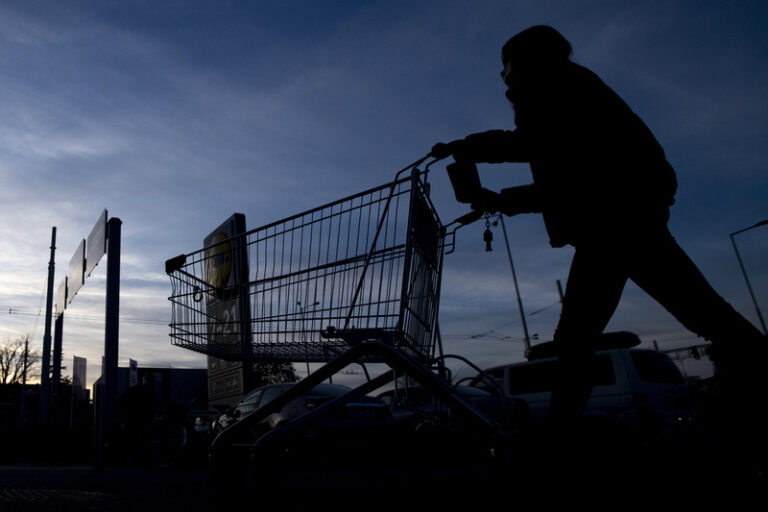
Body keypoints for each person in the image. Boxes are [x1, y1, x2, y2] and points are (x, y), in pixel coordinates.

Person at [431, 26, 767, 433]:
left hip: (618, 223)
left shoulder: (559, 88)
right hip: (617, 220)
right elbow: (569, 180)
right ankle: (557, 437)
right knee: (689, 318)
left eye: (507, 67)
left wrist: (469, 148)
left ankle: (555, 438)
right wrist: (501, 196)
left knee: (587, 338)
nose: (505, 77)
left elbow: (542, 152)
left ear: (527, 61)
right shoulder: (571, 89)